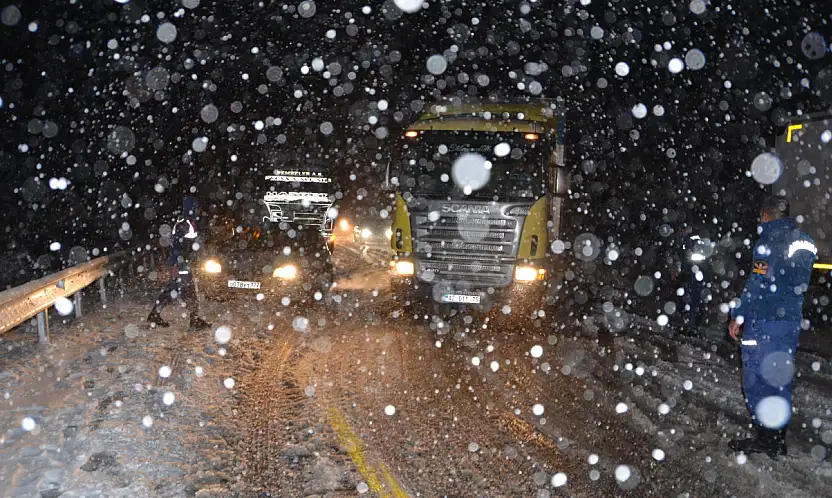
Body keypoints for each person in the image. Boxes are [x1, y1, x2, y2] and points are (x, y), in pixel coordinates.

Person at [728, 195, 816, 458]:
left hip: (764, 321)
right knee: (778, 379)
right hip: (789, 322)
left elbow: (756, 285)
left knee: (755, 377)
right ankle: (777, 437)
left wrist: (738, 315)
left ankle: (766, 436)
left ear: (766, 215)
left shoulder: (767, 242)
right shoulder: (805, 242)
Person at [147, 196, 211, 331]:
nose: (198, 210)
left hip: (181, 262)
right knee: (189, 291)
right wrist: (176, 265)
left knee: (173, 290)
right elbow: (177, 246)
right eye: (196, 207)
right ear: (191, 208)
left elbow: (187, 244)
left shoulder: (188, 222)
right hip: (181, 263)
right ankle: (194, 320)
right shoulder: (184, 223)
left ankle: (155, 314)